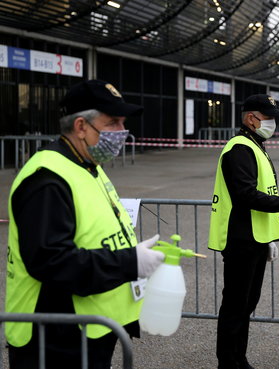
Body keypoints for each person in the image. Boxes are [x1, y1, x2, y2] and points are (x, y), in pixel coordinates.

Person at [5, 80, 166, 369]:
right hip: (54, 336)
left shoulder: (87, 165)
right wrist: (129, 262)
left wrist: (133, 251)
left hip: (87, 327)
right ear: (81, 126)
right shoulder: (47, 179)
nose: (122, 133)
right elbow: (51, 261)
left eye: (123, 123)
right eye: (113, 123)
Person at [208, 94, 279, 369]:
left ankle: (238, 358)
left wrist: (268, 237)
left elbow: (262, 193)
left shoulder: (255, 146)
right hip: (240, 240)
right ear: (250, 118)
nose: (272, 123)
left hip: (255, 238)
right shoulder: (239, 148)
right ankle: (229, 362)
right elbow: (246, 195)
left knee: (246, 303)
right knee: (236, 305)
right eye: (268, 117)